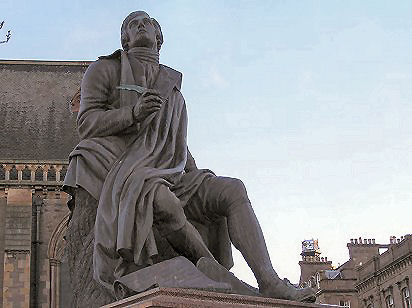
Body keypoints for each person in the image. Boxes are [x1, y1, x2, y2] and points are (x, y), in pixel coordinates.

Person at [64, 10, 313, 302]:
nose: (141, 25)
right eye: (133, 23)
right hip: (127, 173)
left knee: (232, 189)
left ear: (159, 37)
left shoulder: (172, 85)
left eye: (148, 22)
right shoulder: (105, 70)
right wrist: (133, 114)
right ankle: (211, 267)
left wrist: (195, 173)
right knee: (162, 201)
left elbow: (173, 143)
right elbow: (87, 123)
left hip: (169, 174)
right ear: (125, 39)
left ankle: (269, 280)